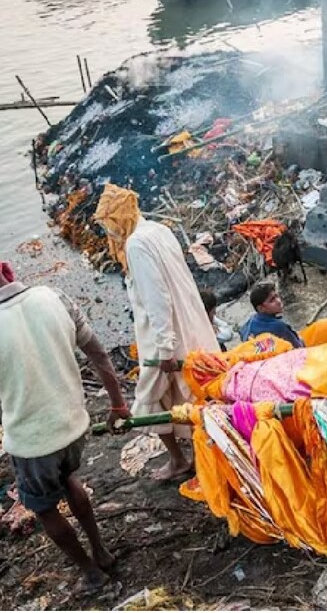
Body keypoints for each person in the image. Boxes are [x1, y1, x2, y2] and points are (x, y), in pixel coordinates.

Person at [0, 235, 129, 594]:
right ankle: (102, 552)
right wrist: (117, 404)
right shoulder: (53, 297)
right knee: (69, 481)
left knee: (45, 508)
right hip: (74, 426)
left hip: (33, 443)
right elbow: (99, 355)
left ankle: (92, 574)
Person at [94, 185, 218, 481]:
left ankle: (185, 461)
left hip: (165, 337)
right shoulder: (159, 230)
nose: (109, 233)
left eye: (109, 224)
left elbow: (157, 297)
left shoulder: (136, 244)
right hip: (189, 325)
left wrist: (164, 348)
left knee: (151, 399)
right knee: (189, 396)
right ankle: (196, 460)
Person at [239, 282, 304, 348]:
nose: (278, 301)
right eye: (272, 300)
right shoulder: (280, 326)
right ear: (261, 308)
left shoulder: (252, 320)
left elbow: (242, 334)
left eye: (276, 296)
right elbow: (299, 347)